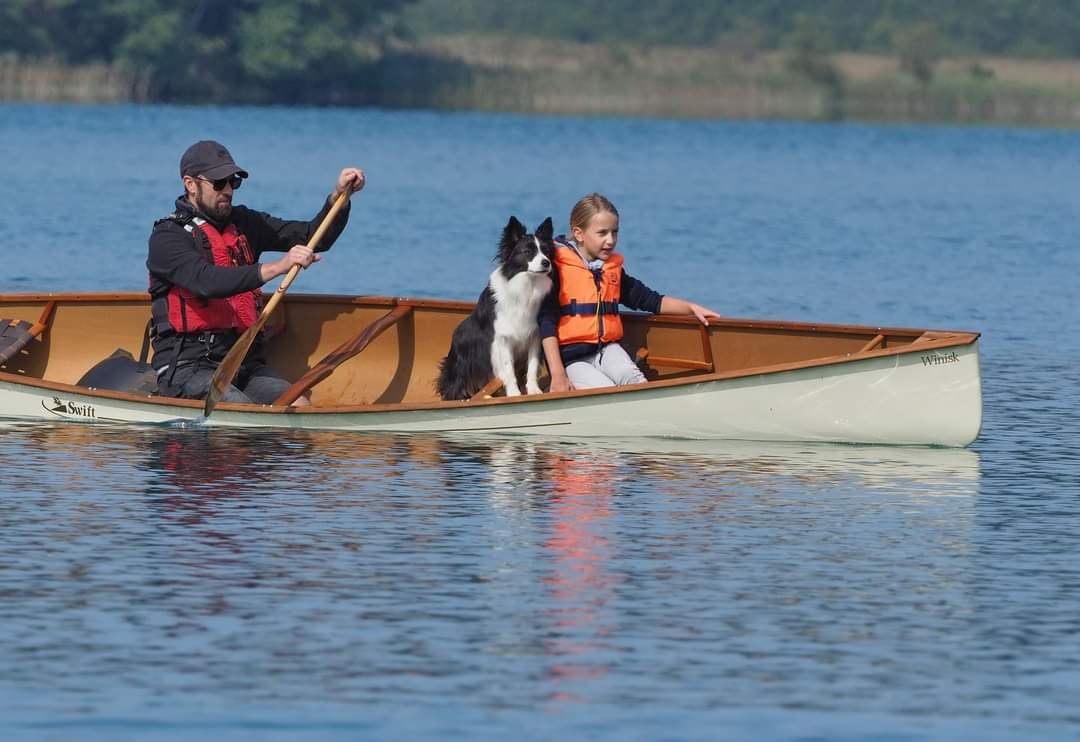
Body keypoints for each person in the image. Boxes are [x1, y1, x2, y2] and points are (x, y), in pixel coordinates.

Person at [147, 140, 365, 404]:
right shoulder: (167, 237)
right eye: (219, 183)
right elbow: (206, 281)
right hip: (187, 366)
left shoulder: (246, 223)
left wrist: (339, 198)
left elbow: (313, 237)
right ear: (190, 184)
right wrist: (278, 267)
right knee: (237, 407)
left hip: (244, 363)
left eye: (233, 182)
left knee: (298, 404)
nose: (228, 190)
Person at [540, 193, 721, 392]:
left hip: (606, 349)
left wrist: (690, 308)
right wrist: (557, 374)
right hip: (571, 359)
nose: (610, 240)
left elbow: (651, 300)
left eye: (614, 232)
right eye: (602, 233)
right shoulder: (556, 270)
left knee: (632, 378)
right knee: (604, 389)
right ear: (579, 233)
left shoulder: (612, 271)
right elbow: (546, 322)